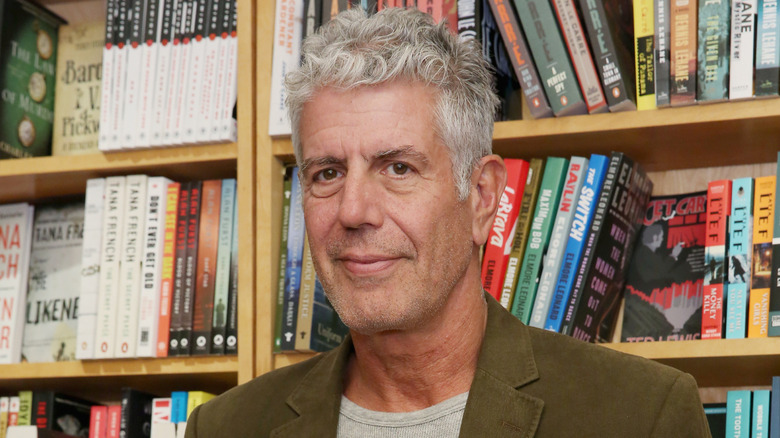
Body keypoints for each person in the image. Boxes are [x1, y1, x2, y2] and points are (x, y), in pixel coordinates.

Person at [185, 7, 710, 437]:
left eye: (398, 168)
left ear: (481, 197)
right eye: (327, 173)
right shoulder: (226, 428)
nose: (351, 211)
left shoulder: (643, 416)